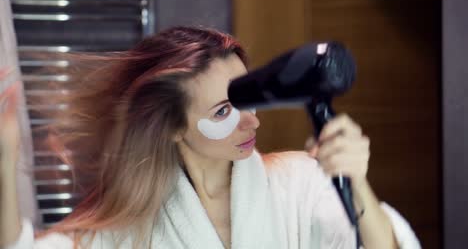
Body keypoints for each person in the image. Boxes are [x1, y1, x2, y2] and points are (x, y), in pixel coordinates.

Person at [1, 26, 420, 249]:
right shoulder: (129, 231)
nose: (250, 123)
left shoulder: (302, 181)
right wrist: (4, 162)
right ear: (173, 126)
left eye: (249, 98)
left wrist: (356, 181)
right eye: (223, 111)